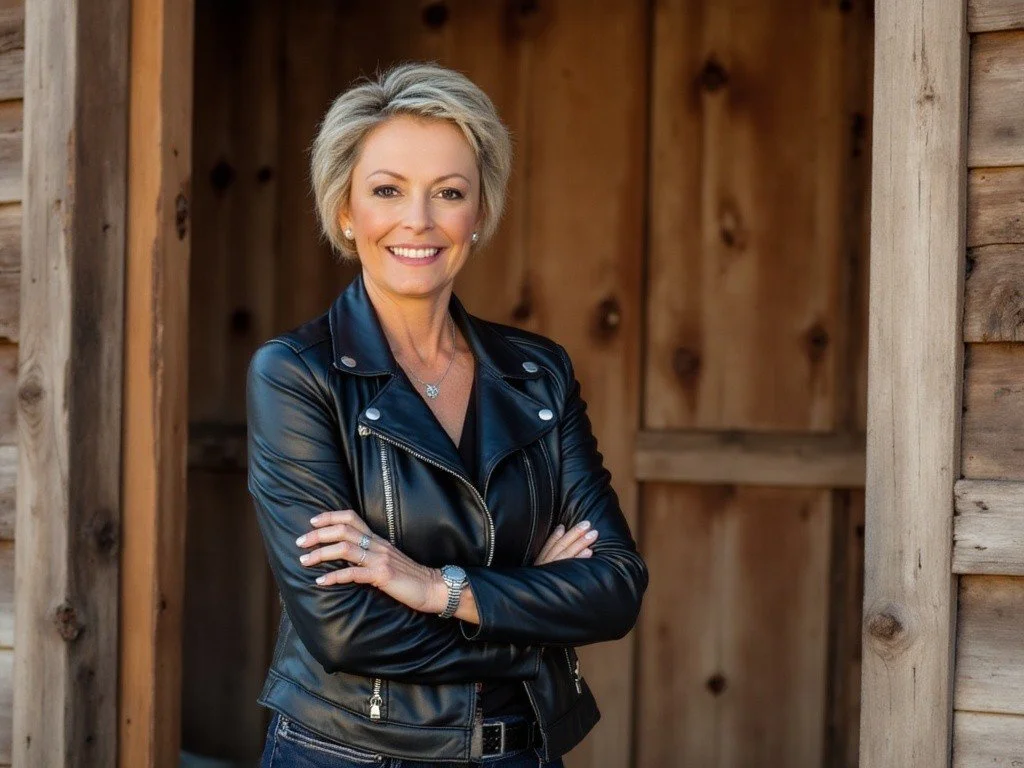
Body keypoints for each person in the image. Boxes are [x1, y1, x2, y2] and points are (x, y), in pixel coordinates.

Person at [247, 62, 648, 767]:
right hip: (353, 754)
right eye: (387, 190)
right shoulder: (296, 375)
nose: (419, 220)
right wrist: (535, 613)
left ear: (480, 213)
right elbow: (343, 629)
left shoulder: (538, 373)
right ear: (345, 211)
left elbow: (614, 587)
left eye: (449, 192)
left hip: (521, 751)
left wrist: (436, 587)